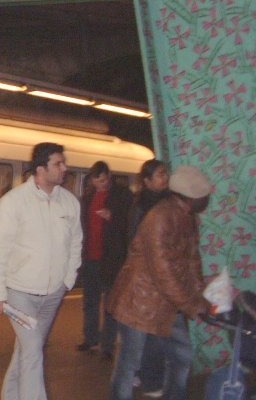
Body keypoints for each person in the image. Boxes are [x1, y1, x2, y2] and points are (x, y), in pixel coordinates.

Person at [0, 142, 82, 400]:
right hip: (20, 294)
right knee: (33, 351)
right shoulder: (13, 202)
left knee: (26, 350)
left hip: (52, 295)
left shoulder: (70, 203)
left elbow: (75, 242)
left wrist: (67, 279)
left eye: (64, 162)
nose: (65, 168)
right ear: (40, 169)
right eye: (58, 164)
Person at [107, 165, 212, 400]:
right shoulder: (160, 217)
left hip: (167, 302)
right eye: (203, 195)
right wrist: (192, 305)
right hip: (139, 302)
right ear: (190, 197)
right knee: (129, 365)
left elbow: (192, 261)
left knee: (182, 357)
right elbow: (163, 271)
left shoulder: (187, 217)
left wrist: (200, 296)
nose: (207, 199)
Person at [77, 161, 132, 359]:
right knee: (89, 300)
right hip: (90, 256)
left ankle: (107, 345)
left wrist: (112, 217)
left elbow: (130, 223)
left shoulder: (123, 195)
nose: (103, 184)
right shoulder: (88, 197)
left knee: (110, 303)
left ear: (110, 176)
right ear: (92, 180)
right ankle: (90, 338)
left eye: (105, 179)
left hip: (111, 258)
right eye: (98, 181)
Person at [128, 159, 170, 398]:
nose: (165, 178)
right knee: (149, 332)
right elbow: (135, 244)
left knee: (151, 332)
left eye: (166, 173)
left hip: (160, 276)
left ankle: (144, 373)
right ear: (147, 181)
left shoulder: (167, 203)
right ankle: (150, 379)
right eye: (161, 174)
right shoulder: (142, 207)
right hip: (147, 277)